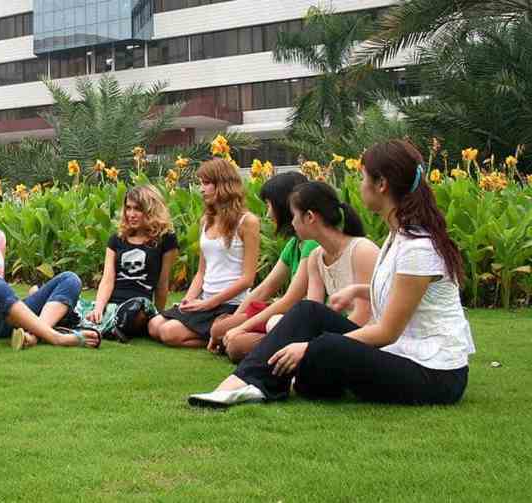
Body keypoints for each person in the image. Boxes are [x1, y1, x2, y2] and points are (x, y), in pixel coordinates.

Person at [188, 139, 474, 407]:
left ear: (382, 184)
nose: (360, 186)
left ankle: (285, 381)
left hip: (434, 373)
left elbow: (387, 331)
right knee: (308, 312)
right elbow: (406, 294)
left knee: (325, 349)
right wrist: (358, 291)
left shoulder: (417, 247)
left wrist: (310, 348)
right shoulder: (397, 238)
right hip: (402, 354)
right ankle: (239, 383)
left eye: (363, 178)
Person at [0, 186, 99, 349]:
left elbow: (1, 279)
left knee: (70, 279)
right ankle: (56, 337)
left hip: (8, 316)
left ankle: (34, 335)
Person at [148, 158, 261, 348]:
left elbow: (248, 279)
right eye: (201, 183)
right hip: (205, 301)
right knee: (153, 324)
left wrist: (209, 304)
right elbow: (202, 272)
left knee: (168, 333)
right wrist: (188, 300)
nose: (201, 189)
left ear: (224, 185)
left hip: (231, 304)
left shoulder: (247, 222)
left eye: (206, 183)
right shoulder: (206, 222)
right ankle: (215, 336)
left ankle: (219, 336)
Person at [207, 173, 316, 362]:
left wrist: (240, 328)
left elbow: (290, 299)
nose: (267, 213)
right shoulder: (293, 244)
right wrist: (237, 319)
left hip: (299, 320)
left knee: (236, 346)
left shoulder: (311, 244)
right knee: (219, 329)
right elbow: (266, 287)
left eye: (269, 205)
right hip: (283, 314)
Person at [80, 185, 178, 341]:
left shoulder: (166, 240)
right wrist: (99, 307)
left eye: (137, 209)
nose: (131, 214)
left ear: (151, 210)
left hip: (139, 305)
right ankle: (110, 325)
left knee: (135, 309)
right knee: (73, 306)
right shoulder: (116, 240)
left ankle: (108, 327)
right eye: (128, 208)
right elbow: (107, 279)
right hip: (113, 304)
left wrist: (158, 318)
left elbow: (162, 283)